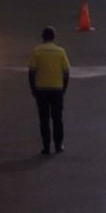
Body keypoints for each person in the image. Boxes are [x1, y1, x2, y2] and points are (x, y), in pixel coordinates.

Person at [28, 26, 71, 155]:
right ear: (54, 37)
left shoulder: (36, 51)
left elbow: (31, 72)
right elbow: (67, 72)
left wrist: (33, 88)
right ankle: (58, 145)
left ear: (43, 37)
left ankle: (46, 147)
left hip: (41, 90)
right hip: (57, 89)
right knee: (57, 118)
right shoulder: (61, 51)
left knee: (44, 119)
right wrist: (64, 88)